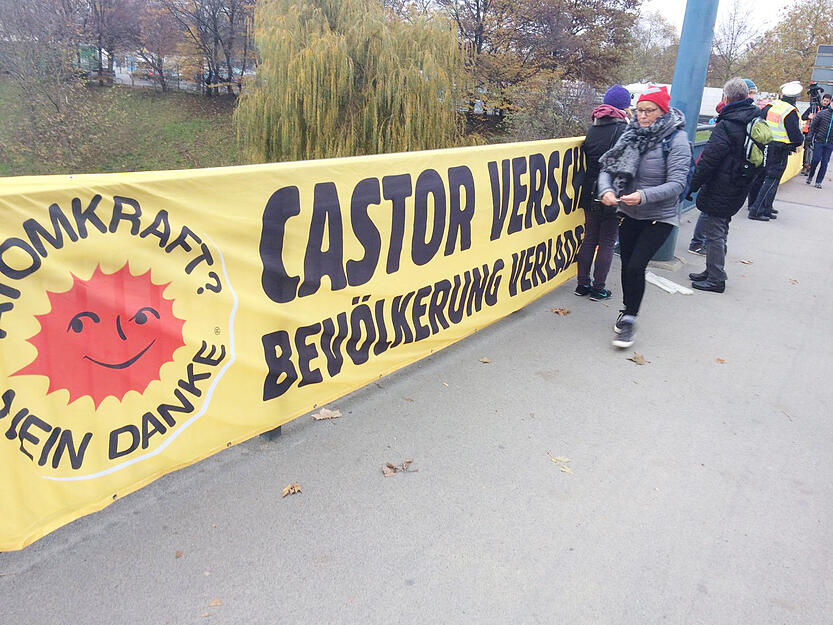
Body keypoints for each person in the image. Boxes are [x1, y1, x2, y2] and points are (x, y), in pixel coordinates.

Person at [597, 85, 691, 348]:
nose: (642, 116)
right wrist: (606, 190)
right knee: (627, 266)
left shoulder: (677, 140)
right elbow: (608, 168)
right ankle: (628, 309)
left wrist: (643, 195)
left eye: (649, 111)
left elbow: (677, 184)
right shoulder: (631, 134)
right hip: (628, 212)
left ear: (662, 111)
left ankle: (629, 319)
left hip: (659, 216)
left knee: (637, 265)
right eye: (638, 110)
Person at [686, 78, 762, 293]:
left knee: (715, 231)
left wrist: (691, 185)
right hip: (739, 183)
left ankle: (716, 278)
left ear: (726, 98)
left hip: (723, 185)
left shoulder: (728, 124)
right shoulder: (752, 119)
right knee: (721, 227)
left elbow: (709, 159)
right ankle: (711, 271)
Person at [575, 85, 630, 301]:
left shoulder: (593, 128)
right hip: (611, 192)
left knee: (589, 237)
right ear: (624, 106)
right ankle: (598, 288)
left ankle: (582, 285)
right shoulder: (625, 131)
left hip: (589, 190)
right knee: (607, 240)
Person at [748, 81, 804, 221]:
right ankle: (758, 210)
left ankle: (759, 206)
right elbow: (795, 135)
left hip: (765, 144)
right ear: (795, 97)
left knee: (761, 175)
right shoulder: (790, 111)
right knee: (772, 179)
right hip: (780, 148)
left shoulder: (771, 105)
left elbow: (759, 121)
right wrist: (799, 141)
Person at [689, 99, 727, 256]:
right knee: (708, 211)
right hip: (715, 175)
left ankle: (700, 241)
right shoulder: (724, 126)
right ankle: (698, 242)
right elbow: (710, 156)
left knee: (709, 211)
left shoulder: (724, 125)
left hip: (716, 173)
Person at [805, 92, 833, 188]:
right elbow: (813, 126)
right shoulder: (822, 113)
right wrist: (809, 137)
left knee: (825, 163)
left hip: (830, 143)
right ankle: (811, 175)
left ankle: (819, 181)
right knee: (816, 159)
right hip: (819, 141)